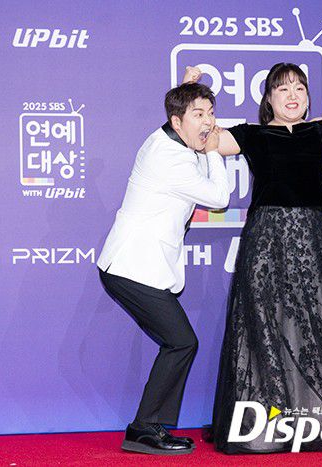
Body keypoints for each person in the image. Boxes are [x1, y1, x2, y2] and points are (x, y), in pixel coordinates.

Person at [207, 59, 322, 453]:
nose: (292, 95)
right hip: (266, 241)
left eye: (299, 88)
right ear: (269, 99)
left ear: (308, 97)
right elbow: (202, 139)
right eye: (283, 89)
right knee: (267, 324)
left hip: (315, 239)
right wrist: (190, 90)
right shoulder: (252, 134)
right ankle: (268, 424)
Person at [97, 80, 229, 455]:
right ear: (177, 121)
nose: (209, 122)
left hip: (135, 266)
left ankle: (147, 426)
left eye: (211, 113)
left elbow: (188, 129)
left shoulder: (166, 141)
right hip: (132, 267)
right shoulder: (170, 158)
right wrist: (215, 152)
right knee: (181, 342)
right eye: (199, 115)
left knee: (179, 342)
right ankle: (143, 429)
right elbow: (219, 197)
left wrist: (189, 89)